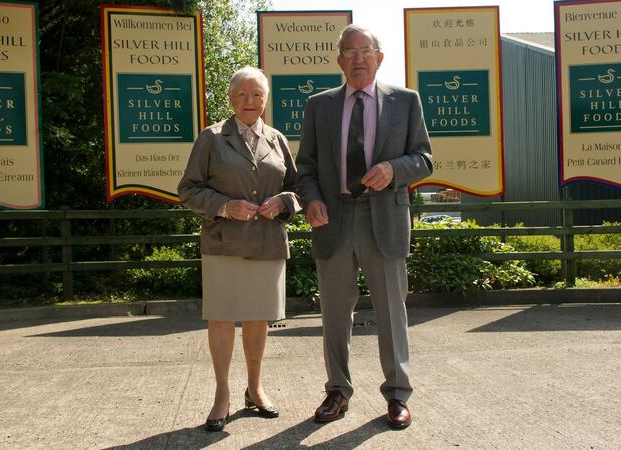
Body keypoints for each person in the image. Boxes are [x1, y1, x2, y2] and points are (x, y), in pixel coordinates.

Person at [295, 24, 433, 430]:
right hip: (333, 218)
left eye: (365, 50)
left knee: (392, 311)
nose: (358, 58)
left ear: (379, 57)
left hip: (384, 217)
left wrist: (394, 168)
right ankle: (337, 390)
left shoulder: (406, 102)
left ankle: (397, 394)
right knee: (335, 312)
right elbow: (306, 169)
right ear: (339, 60)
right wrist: (312, 199)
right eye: (349, 52)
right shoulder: (319, 106)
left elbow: (424, 159)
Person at [178, 66, 301, 432]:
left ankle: (255, 387)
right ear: (231, 99)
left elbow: (297, 188)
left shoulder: (278, 139)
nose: (250, 101)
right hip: (222, 243)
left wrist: (284, 202)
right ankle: (222, 395)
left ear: (266, 100)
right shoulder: (211, 138)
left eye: (257, 94)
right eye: (243, 94)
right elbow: (188, 190)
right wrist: (225, 206)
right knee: (221, 317)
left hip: (267, 242)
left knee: (257, 317)